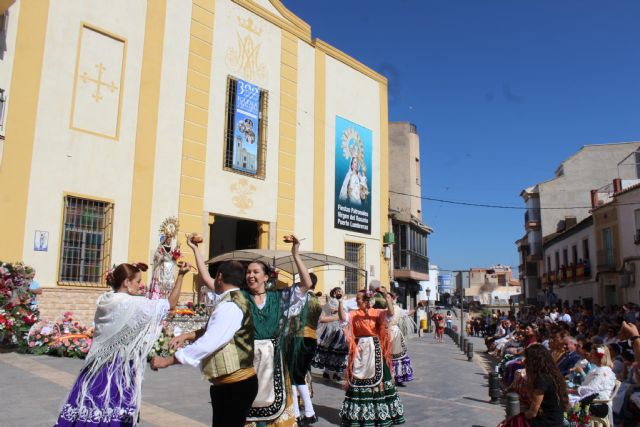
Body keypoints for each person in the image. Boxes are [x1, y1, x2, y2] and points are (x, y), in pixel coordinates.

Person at [55, 261, 188, 427]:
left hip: (96, 366)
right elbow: (170, 305)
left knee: (87, 407)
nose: (140, 286)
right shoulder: (131, 303)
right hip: (117, 370)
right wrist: (181, 275)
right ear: (126, 282)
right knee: (112, 410)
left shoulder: (105, 300)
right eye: (138, 281)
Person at [151, 243, 257, 427]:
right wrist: (188, 335)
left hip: (235, 386)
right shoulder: (229, 298)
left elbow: (209, 342)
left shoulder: (230, 305)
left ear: (220, 277)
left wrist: (168, 361)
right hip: (229, 385)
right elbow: (214, 329)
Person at [241, 235, 313, 427]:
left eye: (256, 271)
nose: (250, 275)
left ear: (266, 277)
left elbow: (306, 284)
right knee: (248, 405)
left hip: (273, 359)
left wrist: (295, 253)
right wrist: (196, 250)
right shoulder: (240, 297)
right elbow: (214, 283)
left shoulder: (279, 298)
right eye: (248, 272)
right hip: (247, 358)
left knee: (275, 406)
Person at [338, 289, 405, 426]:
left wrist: (387, 298)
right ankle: (360, 416)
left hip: (374, 349)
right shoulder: (353, 314)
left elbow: (390, 313)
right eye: (356, 300)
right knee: (357, 380)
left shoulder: (377, 313)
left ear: (367, 301)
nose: (357, 302)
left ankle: (379, 415)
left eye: (359, 300)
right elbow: (342, 317)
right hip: (360, 350)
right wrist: (340, 302)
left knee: (379, 382)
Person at [289, 273, 322, 425]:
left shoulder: (303, 299)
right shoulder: (316, 299)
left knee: (294, 376)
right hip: (311, 338)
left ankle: (301, 413)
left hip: (299, 338)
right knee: (297, 375)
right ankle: (306, 412)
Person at [522, 344, 568, 427]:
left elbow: (533, 412)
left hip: (547, 423)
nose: (524, 361)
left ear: (534, 361)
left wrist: (518, 416)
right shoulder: (553, 375)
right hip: (556, 420)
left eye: (527, 359)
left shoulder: (542, 379)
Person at [312, 286, 348, 380]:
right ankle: (327, 372)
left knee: (339, 352)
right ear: (334, 293)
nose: (340, 292)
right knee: (329, 350)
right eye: (337, 291)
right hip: (330, 330)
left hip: (341, 330)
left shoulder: (345, 303)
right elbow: (323, 316)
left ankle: (337, 373)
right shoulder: (330, 303)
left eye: (341, 291)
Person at [388, 293, 414, 387]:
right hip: (383, 333)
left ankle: (398, 377)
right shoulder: (380, 308)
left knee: (397, 356)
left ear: (393, 299)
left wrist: (417, 307)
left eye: (389, 297)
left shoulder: (397, 309)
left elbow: (407, 313)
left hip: (394, 333)